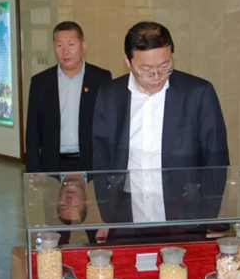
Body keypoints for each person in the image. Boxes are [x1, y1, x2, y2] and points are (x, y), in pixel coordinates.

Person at [92, 21, 229, 243]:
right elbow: (101, 156)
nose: (156, 75)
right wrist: (108, 213)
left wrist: (208, 217)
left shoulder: (198, 93)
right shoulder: (110, 95)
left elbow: (216, 159)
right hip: (127, 214)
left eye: (165, 66)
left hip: (183, 216)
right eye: (146, 69)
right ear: (127, 61)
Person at [25, 21, 111, 174]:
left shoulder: (101, 79)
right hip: (52, 165)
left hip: (91, 164)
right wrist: (34, 172)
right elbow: (33, 132)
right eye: (59, 45)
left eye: (71, 44)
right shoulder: (41, 82)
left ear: (83, 46)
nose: (65, 51)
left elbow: (109, 126)